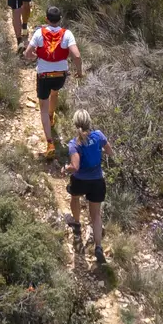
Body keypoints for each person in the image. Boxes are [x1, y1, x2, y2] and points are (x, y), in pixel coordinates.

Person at [24, 6, 80, 156]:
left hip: (44, 75)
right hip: (60, 75)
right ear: (60, 19)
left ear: (46, 19)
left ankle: (50, 143)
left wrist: (33, 57)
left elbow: (27, 53)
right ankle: (51, 115)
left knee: (42, 106)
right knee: (54, 93)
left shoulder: (39, 33)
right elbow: (77, 56)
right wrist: (79, 72)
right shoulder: (67, 34)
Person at [66, 109, 109, 259]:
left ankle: (77, 223)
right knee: (96, 215)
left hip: (80, 180)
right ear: (89, 122)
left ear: (75, 124)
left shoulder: (74, 144)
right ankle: (98, 247)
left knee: (75, 197)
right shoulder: (98, 136)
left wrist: (66, 168)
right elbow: (110, 151)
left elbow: (75, 167)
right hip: (97, 181)